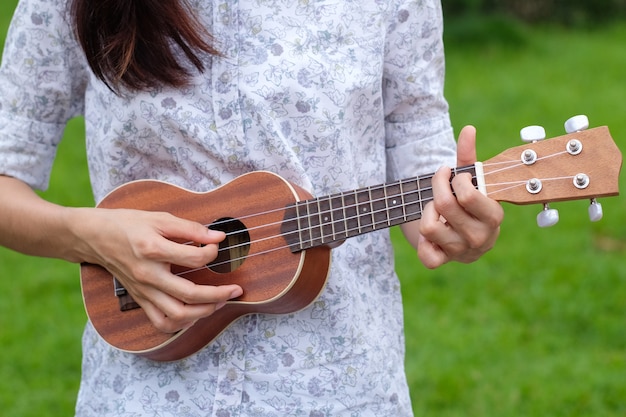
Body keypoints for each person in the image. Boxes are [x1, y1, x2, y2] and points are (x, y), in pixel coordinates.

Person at [0, 0, 503, 415]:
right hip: (144, 393)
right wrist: (89, 237)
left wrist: (450, 222)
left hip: (336, 386)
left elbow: (417, 142)